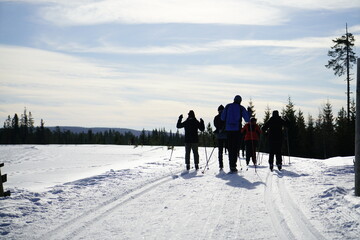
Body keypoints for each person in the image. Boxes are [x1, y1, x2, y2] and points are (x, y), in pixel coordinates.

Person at [221, 95, 250, 173]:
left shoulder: (227, 106)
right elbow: (247, 119)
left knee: (230, 148)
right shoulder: (241, 108)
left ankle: (231, 165)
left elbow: (222, 118)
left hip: (229, 130)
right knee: (236, 148)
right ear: (240, 101)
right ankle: (234, 165)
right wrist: (249, 112)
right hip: (237, 130)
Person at [213, 105, 227, 170]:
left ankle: (220, 165)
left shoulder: (216, 117)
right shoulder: (226, 117)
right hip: (226, 135)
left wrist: (219, 129)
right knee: (229, 150)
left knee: (220, 151)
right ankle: (231, 164)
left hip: (219, 135)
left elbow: (215, 124)